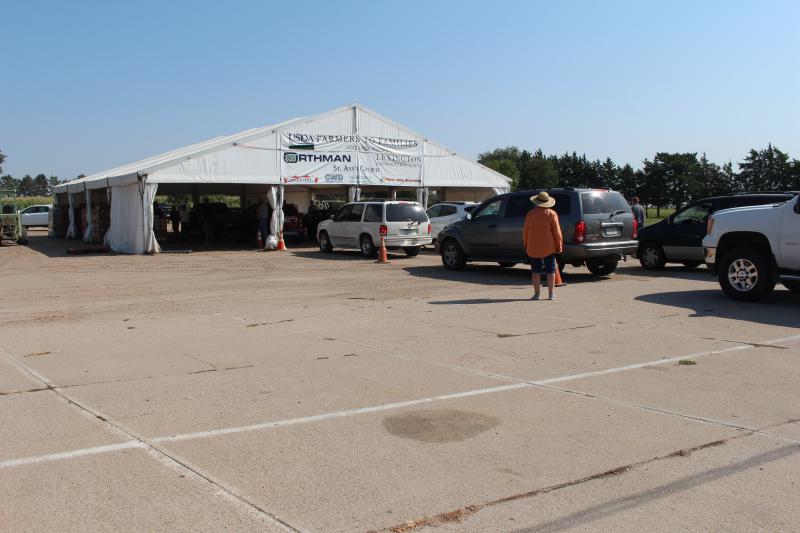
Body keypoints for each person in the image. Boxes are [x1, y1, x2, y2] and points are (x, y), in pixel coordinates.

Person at [523, 191, 563, 300]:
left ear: (536, 202)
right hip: (549, 247)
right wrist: (559, 246)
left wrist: (525, 244)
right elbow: (557, 232)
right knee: (550, 270)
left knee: (535, 270)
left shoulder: (530, 214)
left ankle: (536, 294)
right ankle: (551, 294)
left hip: (533, 246)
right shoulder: (552, 214)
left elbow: (525, 231)